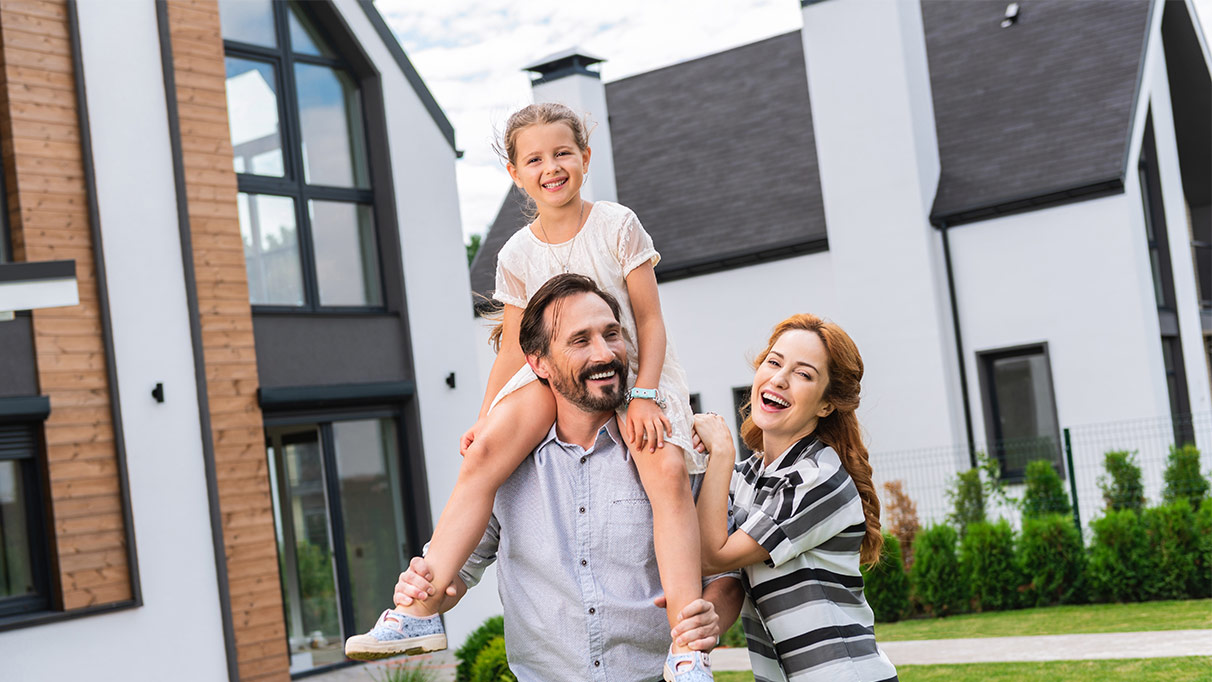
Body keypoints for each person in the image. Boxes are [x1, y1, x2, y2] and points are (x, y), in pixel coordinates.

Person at [346, 103, 712, 678]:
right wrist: (487, 415)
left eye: (563, 153)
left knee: (663, 472)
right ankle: (416, 609)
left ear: (585, 159)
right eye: (535, 158)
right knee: (487, 453)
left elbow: (650, 321)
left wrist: (643, 395)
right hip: (558, 372)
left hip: (632, 367)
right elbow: (517, 347)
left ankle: (686, 647)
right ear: (516, 174)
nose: (552, 166)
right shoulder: (517, 252)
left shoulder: (617, 224)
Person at [349, 274, 741, 680]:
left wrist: (710, 618)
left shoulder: (669, 454)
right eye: (580, 340)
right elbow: (460, 572)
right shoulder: (507, 466)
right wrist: (422, 590)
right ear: (538, 362)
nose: (605, 354)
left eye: (612, 334)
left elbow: (726, 575)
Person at [691, 314, 899, 682]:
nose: (780, 379)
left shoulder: (818, 478)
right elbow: (712, 560)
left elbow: (712, 554)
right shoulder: (750, 477)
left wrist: (721, 452)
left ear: (825, 405)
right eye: (774, 362)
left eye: (804, 374)